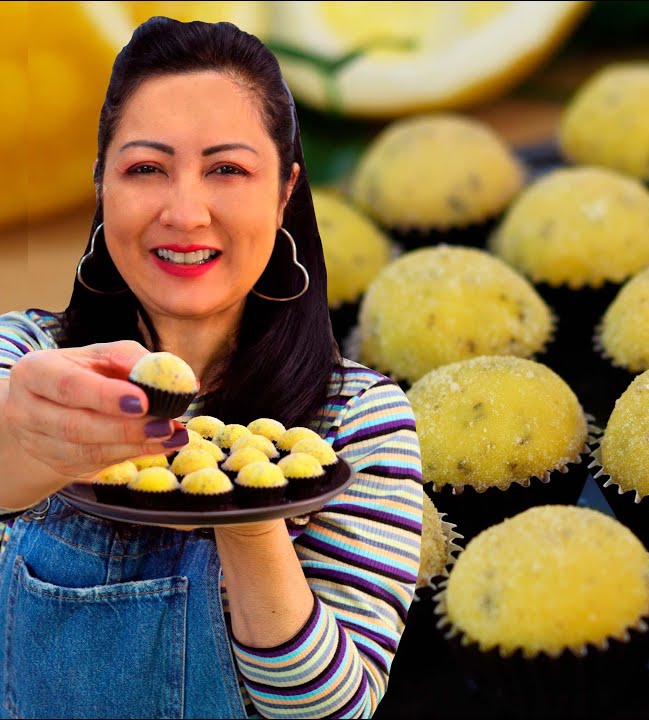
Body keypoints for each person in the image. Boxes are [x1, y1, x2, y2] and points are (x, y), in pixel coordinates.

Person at [0, 17, 424, 719]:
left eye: (227, 169)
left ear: (284, 193)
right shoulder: (23, 356)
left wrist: (248, 508)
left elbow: (327, 711)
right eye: (145, 169)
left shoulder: (357, 423)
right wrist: (26, 441)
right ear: (101, 183)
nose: (185, 211)